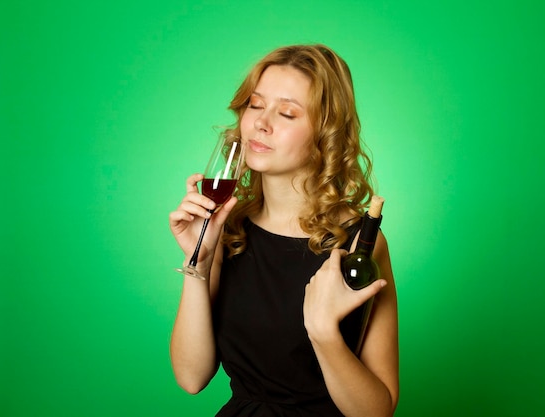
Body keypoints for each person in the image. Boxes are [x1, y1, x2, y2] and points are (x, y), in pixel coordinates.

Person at [169, 44, 399, 417]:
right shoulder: (230, 229)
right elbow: (191, 378)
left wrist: (324, 333)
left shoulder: (361, 243)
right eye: (255, 105)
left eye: (288, 113)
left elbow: (377, 411)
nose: (262, 122)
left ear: (326, 134)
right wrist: (199, 260)